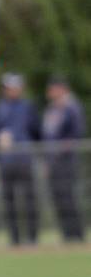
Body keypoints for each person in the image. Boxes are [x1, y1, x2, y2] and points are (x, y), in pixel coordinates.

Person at [0, 73, 41, 245]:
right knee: (9, 201)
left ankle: (32, 238)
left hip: (25, 161)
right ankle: (15, 239)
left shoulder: (28, 107)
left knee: (30, 200)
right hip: (6, 162)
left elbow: (37, 132)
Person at [42, 77, 86, 241]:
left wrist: (61, 150)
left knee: (69, 198)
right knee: (58, 198)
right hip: (53, 162)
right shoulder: (52, 108)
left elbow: (76, 133)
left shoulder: (71, 107)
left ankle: (77, 234)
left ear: (61, 89)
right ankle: (66, 234)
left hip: (66, 161)